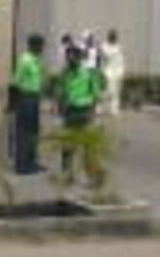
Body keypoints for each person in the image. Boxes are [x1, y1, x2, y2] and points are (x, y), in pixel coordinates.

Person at [55, 42, 103, 180]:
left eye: (73, 57)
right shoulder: (64, 73)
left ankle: (91, 173)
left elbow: (95, 93)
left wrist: (92, 111)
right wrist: (60, 108)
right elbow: (60, 92)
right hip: (70, 111)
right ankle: (66, 171)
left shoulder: (89, 73)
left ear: (79, 57)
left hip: (85, 111)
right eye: (68, 57)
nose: (70, 60)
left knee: (88, 144)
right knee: (68, 143)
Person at [7, 33, 46, 175]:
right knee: (24, 132)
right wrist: (13, 103)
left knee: (34, 131)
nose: (42, 48)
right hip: (25, 98)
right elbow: (15, 82)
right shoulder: (24, 60)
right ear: (33, 45)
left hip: (34, 98)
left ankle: (32, 162)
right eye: (40, 45)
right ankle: (22, 166)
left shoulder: (36, 60)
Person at [100, 29, 127, 117]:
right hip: (109, 71)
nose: (114, 37)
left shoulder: (119, 46)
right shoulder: (104, 46)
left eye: (115, 36)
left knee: (117, 91)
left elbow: (121, 59)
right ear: (109, 37)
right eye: (112, 35)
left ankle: (114, 109)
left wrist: (122, 70)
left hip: (118, 71)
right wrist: (102, 71)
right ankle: (99, 106)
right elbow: (103, 59)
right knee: (108, 90)